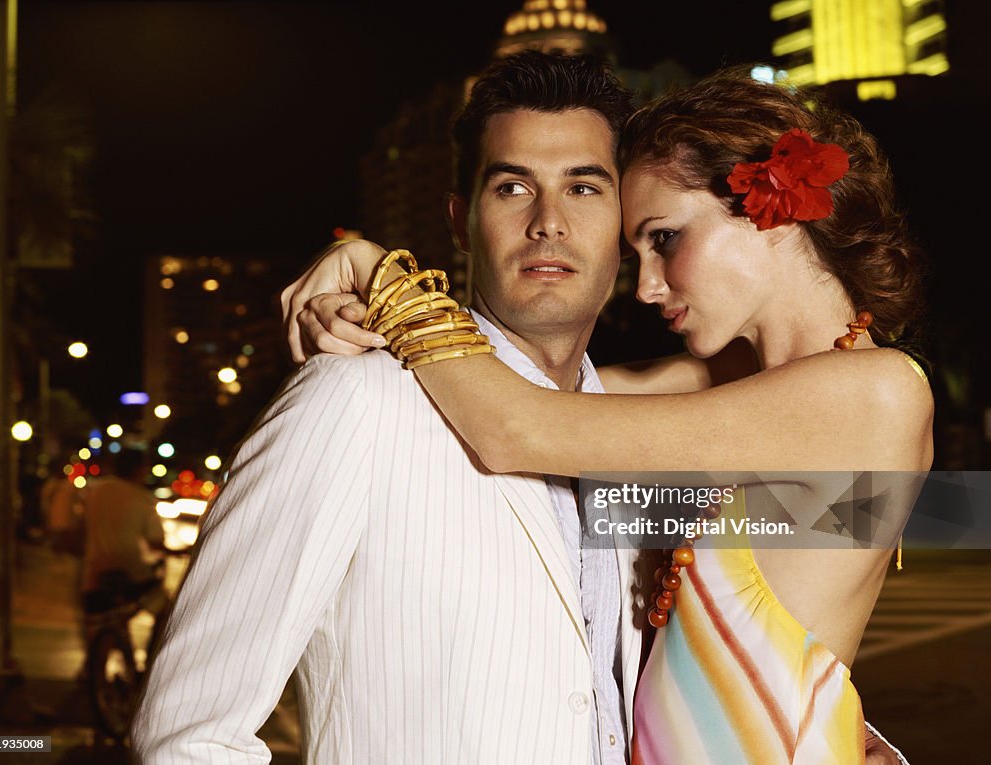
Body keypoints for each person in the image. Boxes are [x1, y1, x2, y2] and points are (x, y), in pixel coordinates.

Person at [282, 66, 929, 764]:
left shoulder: (876, 391)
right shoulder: (735, 385)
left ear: (771, 214)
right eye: (637, 251)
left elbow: (520, 425)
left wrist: (385, 278)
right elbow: (529, 381)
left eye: (666, 238)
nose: (647, 285)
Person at [132, 51, 644, 764]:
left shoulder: (636, 434)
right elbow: (188, 733)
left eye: (584, 188)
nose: (548, 221)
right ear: (462, 221)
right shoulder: (352, 402)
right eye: (512, 188)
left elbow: (838, 522)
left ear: (626, 221)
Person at [79, 447, 170, 639]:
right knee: (166, 613)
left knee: (93, 621)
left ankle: (92, 662)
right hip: (130, 572)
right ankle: (152, 662)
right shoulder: (143, 498)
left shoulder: (94, 490)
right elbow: (155, 541)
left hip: (94, 573)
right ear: (140, 469)